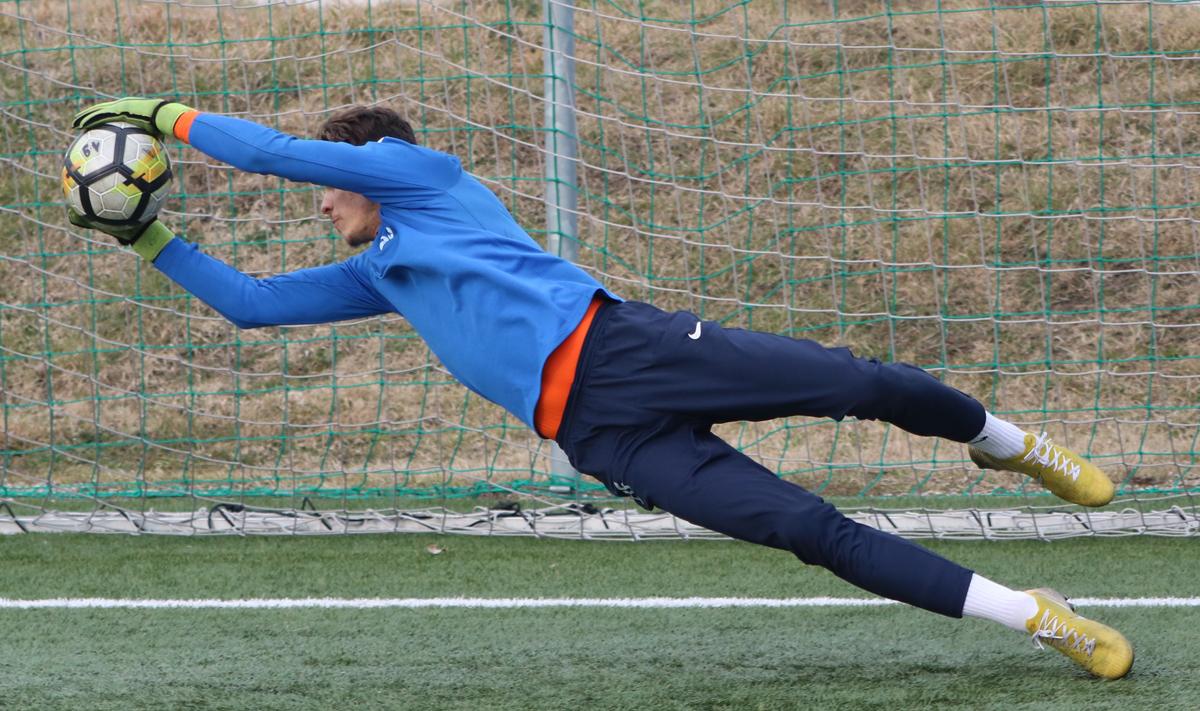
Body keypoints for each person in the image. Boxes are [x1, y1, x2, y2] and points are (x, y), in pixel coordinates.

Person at [68, 98, 1133, 679]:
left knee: (857, 380)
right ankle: (1035, 617)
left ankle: (1007, 442)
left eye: (328, 183)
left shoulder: (421, 176)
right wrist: (143, 233)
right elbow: (252, 306)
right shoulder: (377, 272)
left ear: (369, 164)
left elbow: (271, 155)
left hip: (630, 348)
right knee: (809, 530)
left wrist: (162, 114)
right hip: (601, 437)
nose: (318, 203)